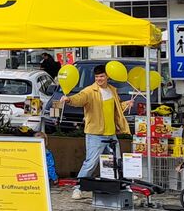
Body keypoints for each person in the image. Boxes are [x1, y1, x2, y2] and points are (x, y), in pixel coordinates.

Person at [56, 65, 133, 200]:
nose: (99, 79)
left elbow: (116, 108)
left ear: (107, 76)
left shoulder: (112, 90)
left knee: (115, 162)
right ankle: (78, 188)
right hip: (95, 134)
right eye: (97, 77)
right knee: (91, 163)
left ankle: (119, 188)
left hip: (111, 134)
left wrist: (126, 104)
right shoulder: (90, 91)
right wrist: (69, 100)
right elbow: (79, 98)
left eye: (102, 76)